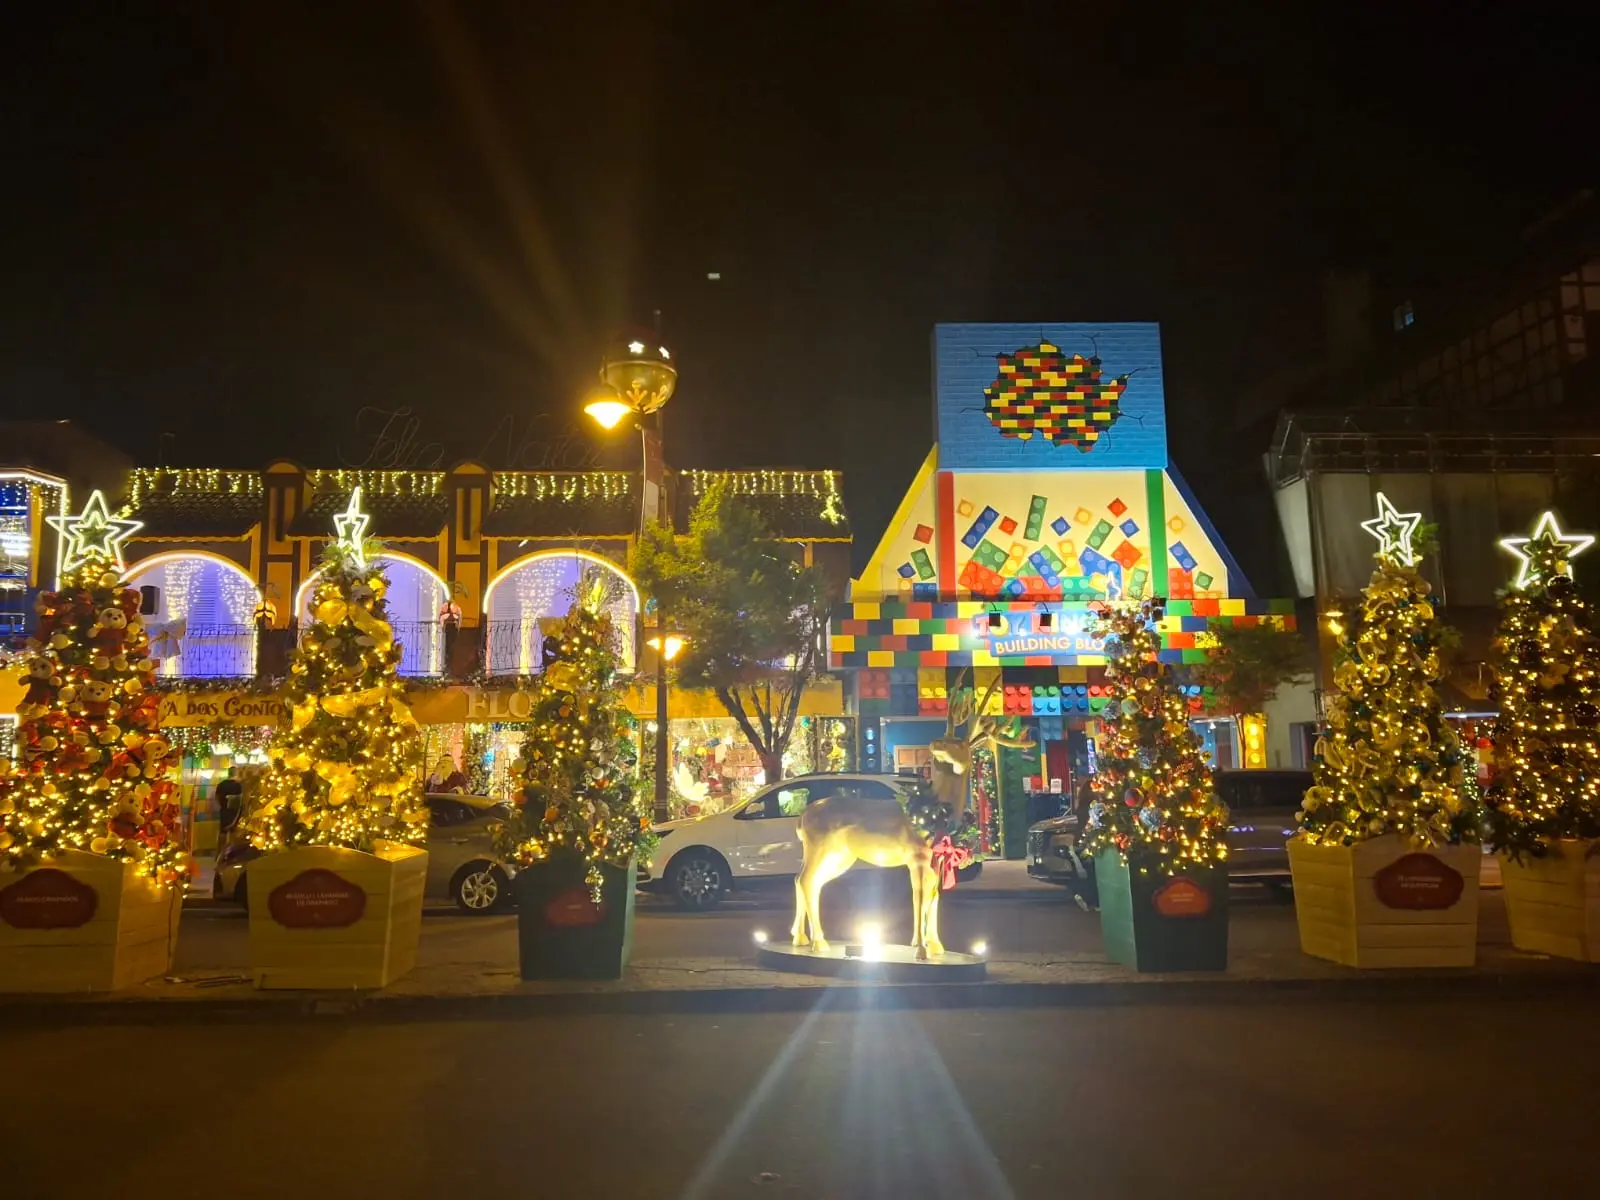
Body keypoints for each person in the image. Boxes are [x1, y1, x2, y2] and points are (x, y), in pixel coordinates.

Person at [1065, 776, 1099, 913]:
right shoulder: (1094, 808)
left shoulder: (1081, 807)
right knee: (1093, 874)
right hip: (1087, 844)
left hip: (1077, 844)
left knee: (1088, 874)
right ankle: (1091, 901)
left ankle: (1083, 896)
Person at [215, 769, 243, 838]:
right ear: (236, 774)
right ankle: (230, 847)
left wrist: (222, 804)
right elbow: (242, 799)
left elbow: (217, 797)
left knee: (223, 832)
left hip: (224, 811)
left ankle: (221, 848)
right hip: (236, 813)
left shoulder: (221, 784)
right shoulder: (239, 785)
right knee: (234, 833)